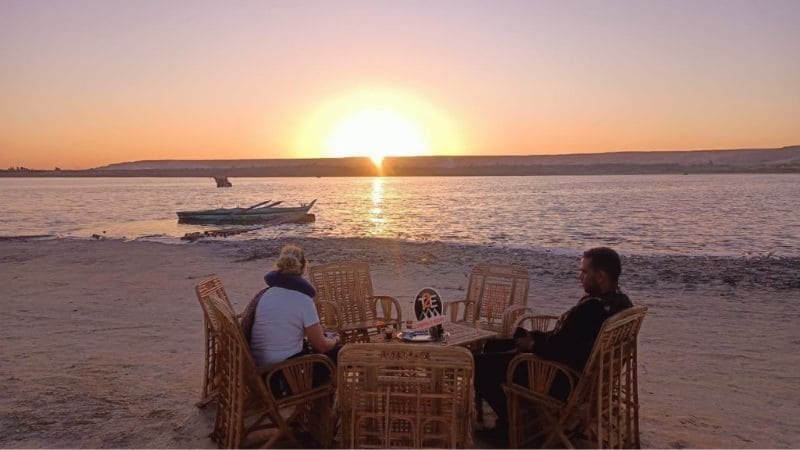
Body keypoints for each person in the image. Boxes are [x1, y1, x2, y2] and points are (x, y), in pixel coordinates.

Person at [474, 247, 633, 441]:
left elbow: (558, 350)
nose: (579, 277)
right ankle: (521, 416)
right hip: (582, 375)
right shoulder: (621, 303)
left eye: (584, 272)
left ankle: (509, 425)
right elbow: (571, 341)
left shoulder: (592, 309)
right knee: (493, 346)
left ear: (600, 276)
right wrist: (534, 337)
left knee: (478, 365)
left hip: (556, 378)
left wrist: (531, 345)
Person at [249, 244, 340, 384]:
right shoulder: (303, 300)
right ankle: (322, 403)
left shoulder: (266, 294)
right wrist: (334, 340)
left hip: (261, 372)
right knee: (340, 354)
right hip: (285, 376)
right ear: (303, 268)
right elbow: (319, 346)